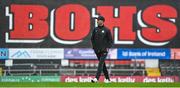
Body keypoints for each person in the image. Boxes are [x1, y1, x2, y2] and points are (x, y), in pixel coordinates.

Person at [91, 16, 113, 83]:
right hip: (97, 50)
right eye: (97, 20)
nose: (97, 21)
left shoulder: (107, 30)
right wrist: (94, 47)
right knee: (103, 65)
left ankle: (96, 79)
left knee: (100, 64)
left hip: (104, 51)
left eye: (98, 20)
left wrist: (107, 47)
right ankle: (108, 79)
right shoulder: (95, 29)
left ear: (102, 21)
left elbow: (110, 40)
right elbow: (92, 39)